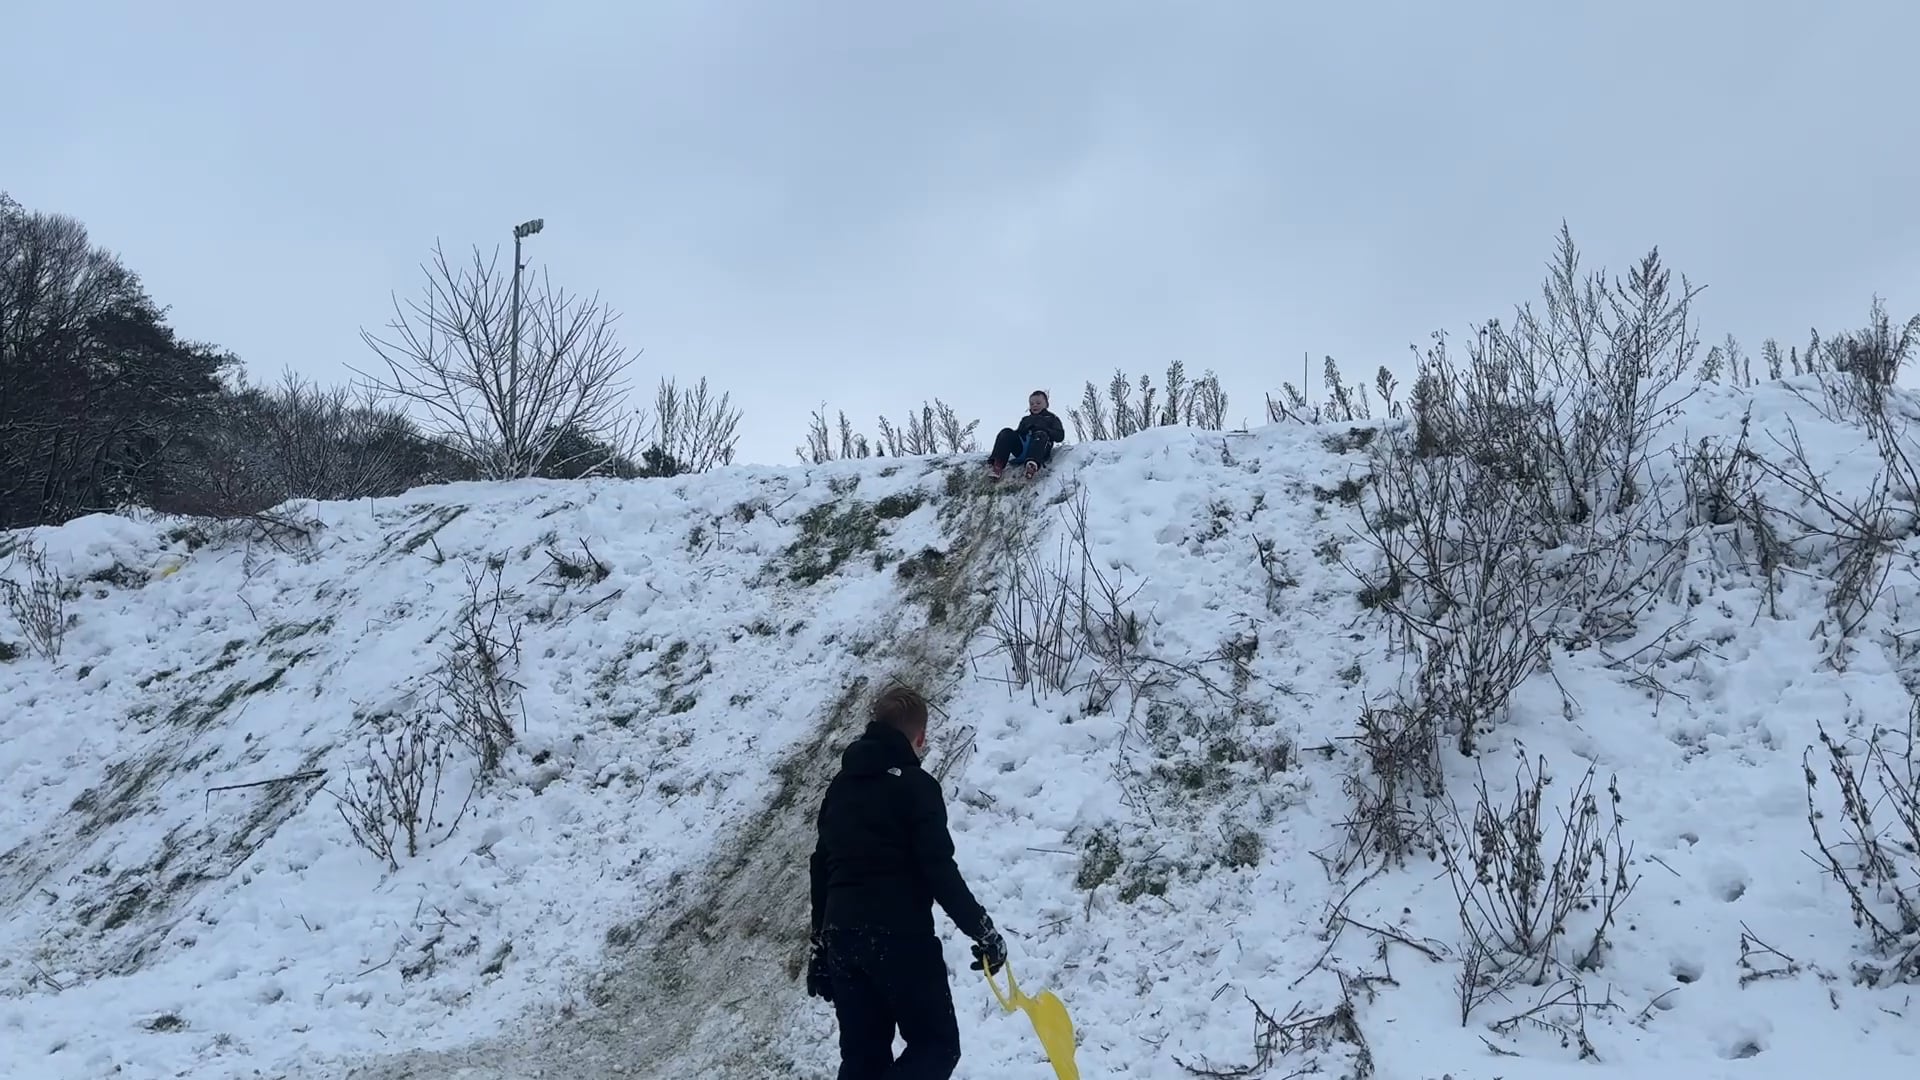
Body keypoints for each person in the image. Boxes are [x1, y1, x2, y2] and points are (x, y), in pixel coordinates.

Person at [806, 685, 1008, 1079]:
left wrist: (820, 944)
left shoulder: (840, 789)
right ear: (919, 738)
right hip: (900, 937)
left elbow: (821, 867)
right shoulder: (917, 787)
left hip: (843, 938)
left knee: (863, 1061)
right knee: (936, 1045)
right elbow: (938, 870)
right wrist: (982, 930)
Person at [988, 390, 1067, 479]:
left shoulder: (1052, 419)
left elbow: (1060, 436)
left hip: (1039, 450)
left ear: (1046, 404)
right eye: (1032, 403)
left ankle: (1031, 466)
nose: (1035, 405)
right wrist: (1024, 430)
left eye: (1038, 403)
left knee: (1040, 434)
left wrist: (1045, 430)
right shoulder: (1026, 419)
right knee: (1006, 432)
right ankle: (998, 464)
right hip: (1023, 449)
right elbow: (1017, 434)